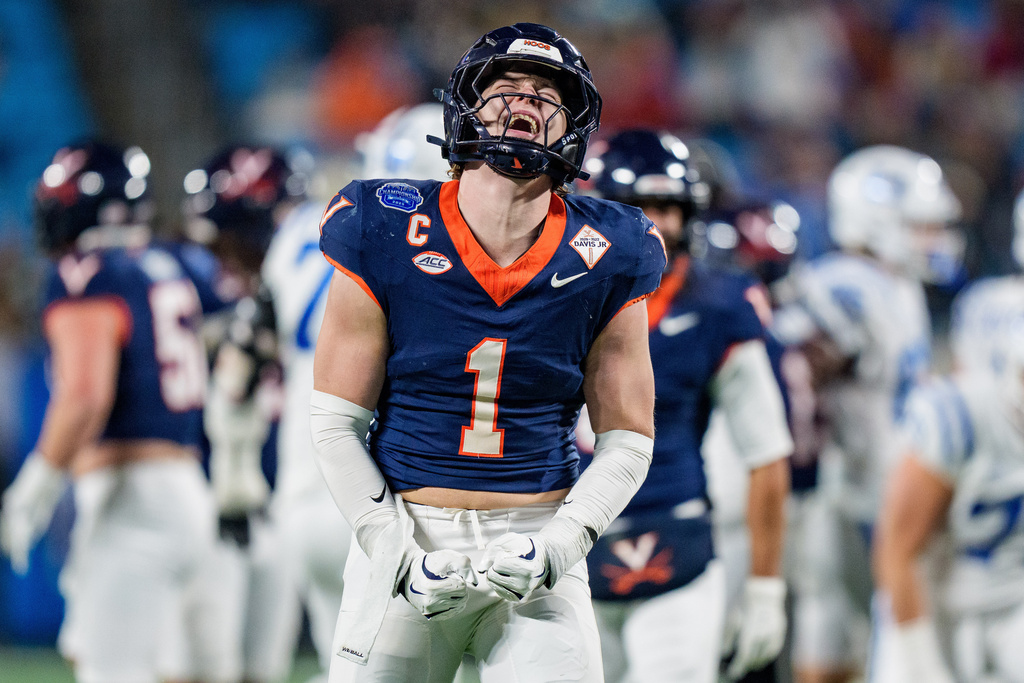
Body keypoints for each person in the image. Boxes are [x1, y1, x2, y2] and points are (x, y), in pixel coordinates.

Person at [311, 22, 665, 683]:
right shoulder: (383, 224)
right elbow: (335, 422)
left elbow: (629, 439)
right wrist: (395, 554)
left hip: (536, 543)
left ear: (572, 128)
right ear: (465, 107)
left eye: (547, 94)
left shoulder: (610, 250)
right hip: (407, 534)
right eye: (507, 87)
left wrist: (560, 547)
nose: (526, 102)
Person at [0, 140, 236, 683]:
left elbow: (85, 392)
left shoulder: (87, 272)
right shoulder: (181, 264)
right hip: (194, 491)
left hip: (129, 501)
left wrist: (36, 481)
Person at [581, 129, 792, 683]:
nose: (659, 224)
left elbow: (766, 451)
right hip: (564, 546)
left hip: (675, 536)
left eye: (670, 207)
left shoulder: (719, 306)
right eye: (641, 207)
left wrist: (766, 587)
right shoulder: (554, 291)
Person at [779, 145, 961, 683]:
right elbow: (796, 363)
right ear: (879, 223)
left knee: (843, 634)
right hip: (850, 488)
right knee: (858, 632)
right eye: (923, 225)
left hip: (871, 486)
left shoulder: (894, 283)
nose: (936, 239)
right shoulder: (847, 283)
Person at [183, 143, 314, 683]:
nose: (220, 253)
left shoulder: (298, 275)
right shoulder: (205, 290)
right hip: (215, 497)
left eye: (228, 237)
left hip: (284, 497)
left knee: (263, 668)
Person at [872, 306, 1024, 681]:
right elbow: (897, 547)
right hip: (937, 609)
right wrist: (918, 656)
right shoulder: (960, 414)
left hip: (1013, 608)